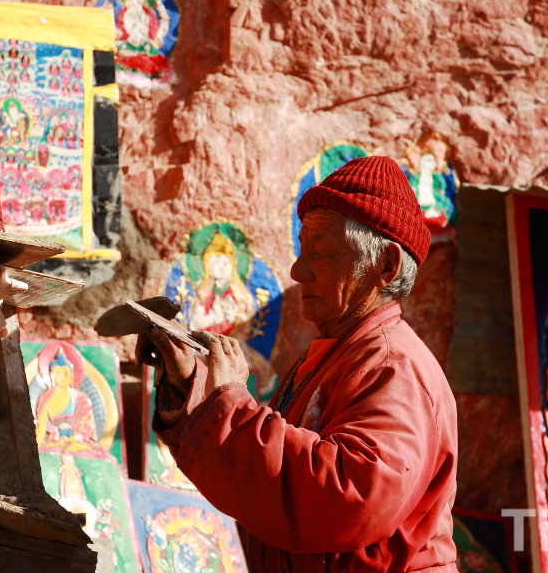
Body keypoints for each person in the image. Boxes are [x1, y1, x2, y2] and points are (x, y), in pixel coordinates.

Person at [142, 156, 458, 573]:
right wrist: (192, 389)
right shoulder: (338, 352)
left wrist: (232, 405)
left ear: (385, 266)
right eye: (302, 249)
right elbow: (269, 483)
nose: (298, 270)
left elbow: (349, 499)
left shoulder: (390, 364)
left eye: (322, 252)